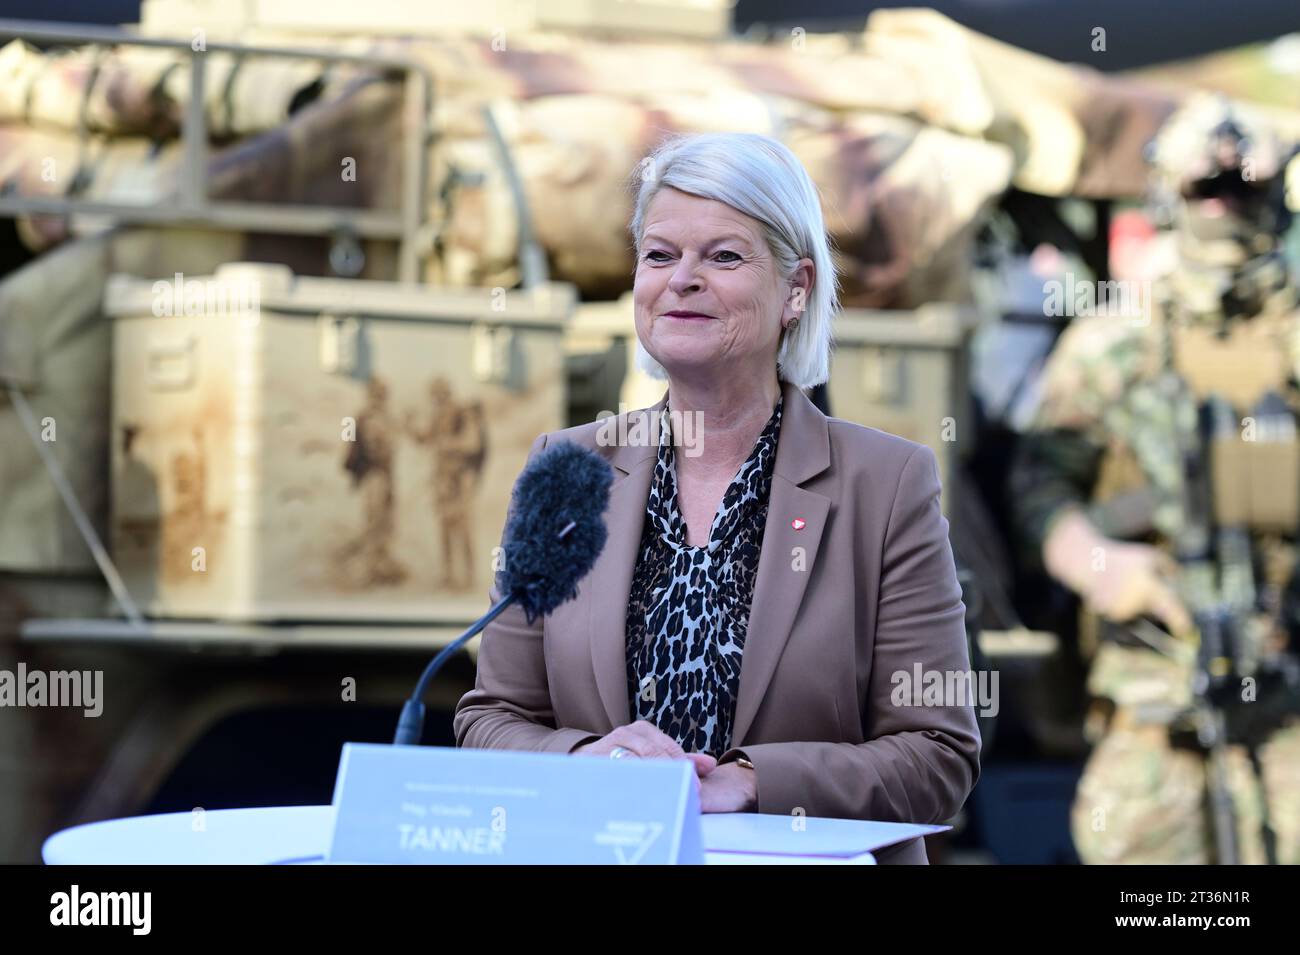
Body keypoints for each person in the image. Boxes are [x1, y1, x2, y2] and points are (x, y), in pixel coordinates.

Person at [454, 132, 981, 863]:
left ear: (796, 289)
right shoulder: (566, 467)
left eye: (724, 256)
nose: (681, 280)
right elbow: (492, 719)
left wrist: (752, 780)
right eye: (660, 255)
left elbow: (939, 754)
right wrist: (582, 762)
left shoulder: (886, 483)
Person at [1010, 96, 1300, 864]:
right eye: (1208, 192)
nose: (1224, 210)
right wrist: (1098, 563)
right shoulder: (1119, 340)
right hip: (1155, 670)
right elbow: (1038, 483)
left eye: (1240, 191)